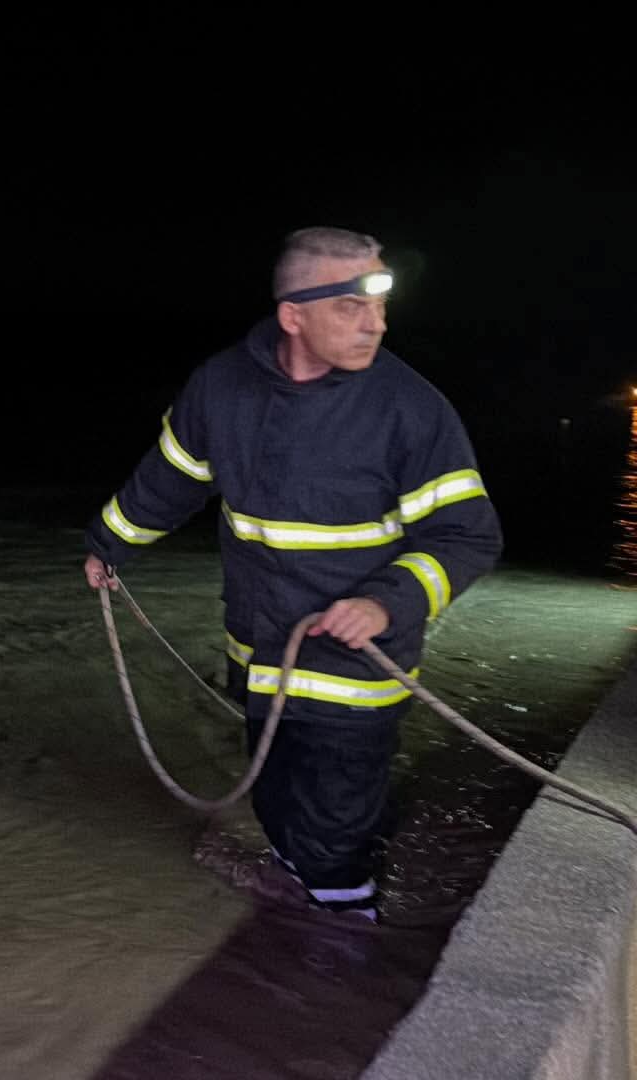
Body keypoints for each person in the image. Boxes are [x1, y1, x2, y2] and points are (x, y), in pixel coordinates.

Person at [82, 226, 502, 921]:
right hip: (262, 656)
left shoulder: (410, 408)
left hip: (357, 663)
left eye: (381, 305)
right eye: (351, 306)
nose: (376, 324)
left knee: (336, 823)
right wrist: (109, 544)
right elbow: (171, 481)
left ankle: (345, 937)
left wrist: (387, 602)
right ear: (293, 316)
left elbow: (468, 535)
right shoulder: (220, 387)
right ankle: (303, 904)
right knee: (275, 796)